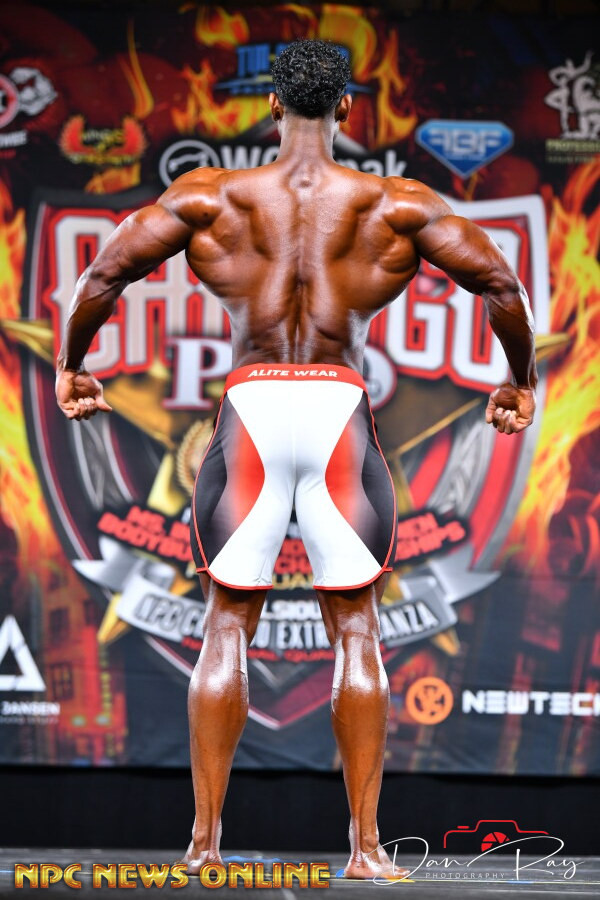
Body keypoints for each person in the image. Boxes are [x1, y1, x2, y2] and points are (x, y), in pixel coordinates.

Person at [55, 40, 537, 880]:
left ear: (272, 105)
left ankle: (203, 845)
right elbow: (501, 285)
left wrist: (73, 365)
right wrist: (518, 381)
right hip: (336, 412)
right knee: (356, 628)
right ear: (347, 108)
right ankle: (367, 850)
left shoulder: (210, 197)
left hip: (252, 410)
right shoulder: (395, 203)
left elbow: (102, 275)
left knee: (224, 624)